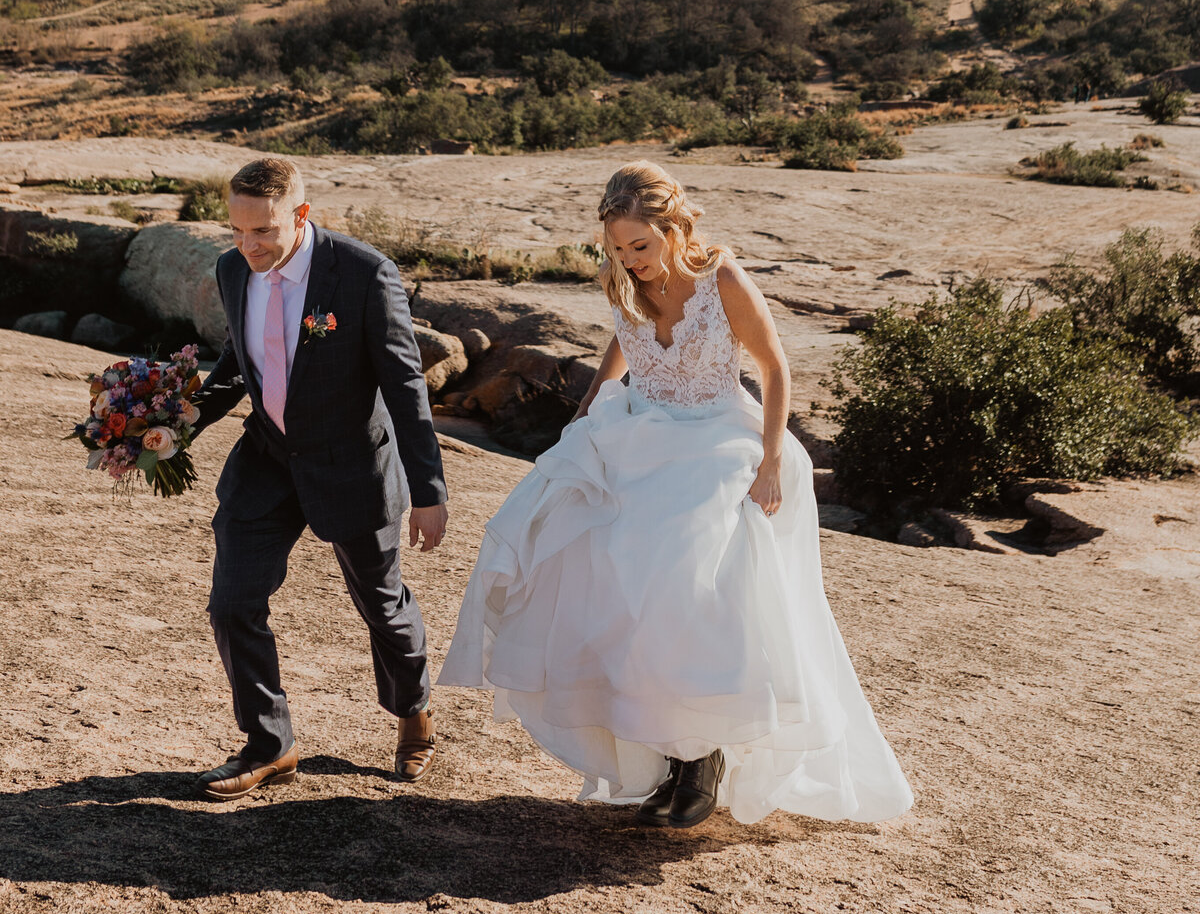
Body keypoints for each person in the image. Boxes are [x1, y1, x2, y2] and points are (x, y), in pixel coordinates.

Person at [440, 161, 912, 830]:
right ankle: (662, 754)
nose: (630, 261)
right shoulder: (622, 283)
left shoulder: (722, 279)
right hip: (645, 432)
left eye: (640, 246)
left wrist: (772, 459)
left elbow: (775, 365)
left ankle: (704, 757)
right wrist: (591, 407)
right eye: (617, 249)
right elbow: (622, 341)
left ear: (674, 228)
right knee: (580, 556)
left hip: (720, 439)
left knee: (681, 580)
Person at [190, 157, 448, 802]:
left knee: (382, 607)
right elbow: (238, 363)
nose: (248, 246)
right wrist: (167, 425)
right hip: (267, 464)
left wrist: (429, 490)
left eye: (264, 232)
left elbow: (404, 384)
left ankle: (412, 711)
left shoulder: (363, 274)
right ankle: (269, 745)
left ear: (300, 216)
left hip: (352, 466)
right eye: (236, 231)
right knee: (232, 604)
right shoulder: (232, 270)